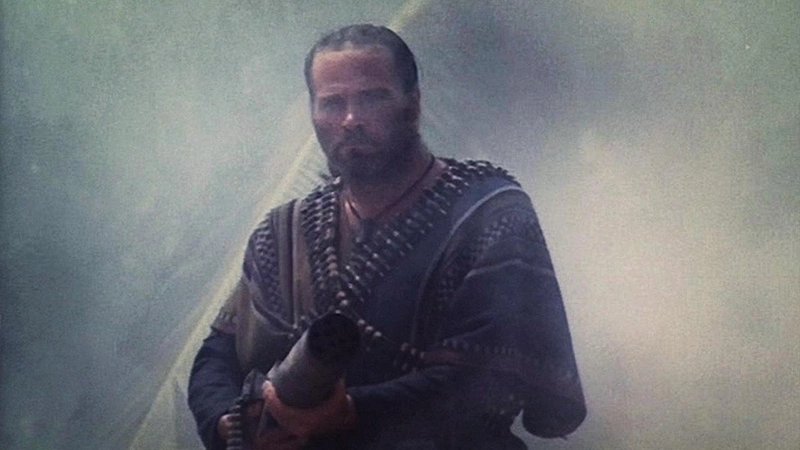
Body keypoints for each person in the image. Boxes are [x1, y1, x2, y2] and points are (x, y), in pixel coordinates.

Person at [188, 24, 586, 449]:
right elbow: (218, 353)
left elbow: (489, 377)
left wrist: (351, 413)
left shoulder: (488, 213)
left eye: (372, 98)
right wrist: (231, 422)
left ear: (412, 104)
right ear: (314, 113)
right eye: (332, 103)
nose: (351, 120)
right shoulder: (285, 230)